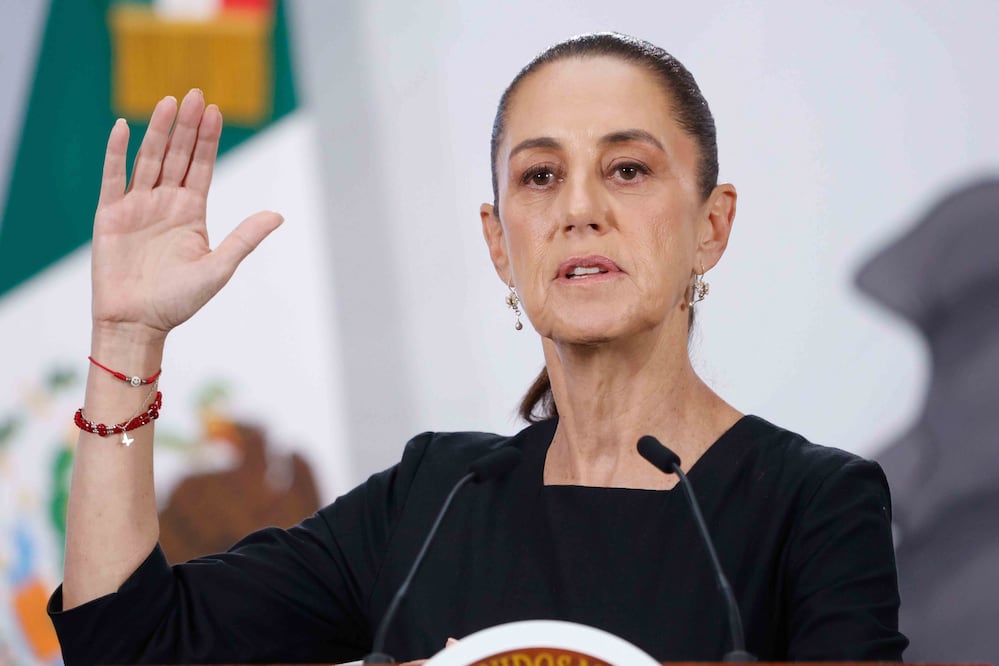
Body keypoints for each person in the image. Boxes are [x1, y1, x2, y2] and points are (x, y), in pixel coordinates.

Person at [48, 32, 907, 664]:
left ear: (711, 226)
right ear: (500, 243)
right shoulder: (434, 501)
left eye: (627, 170)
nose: (578, 209)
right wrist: (126, 339)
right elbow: (129, 645)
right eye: (539, 176)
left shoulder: (813, 506)